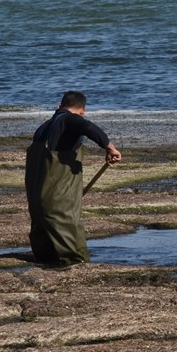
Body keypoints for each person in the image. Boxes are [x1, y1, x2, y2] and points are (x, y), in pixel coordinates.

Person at [25, 91, 122, 267]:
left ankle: (48, 261)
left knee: (43, 230)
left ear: (59, 106)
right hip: (58, 192)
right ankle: (76, 263)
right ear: (82, 111)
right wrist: (110, 147)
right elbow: (88, 127)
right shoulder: (71, 120)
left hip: (36, 193)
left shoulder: (43, 128)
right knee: (67, 225)